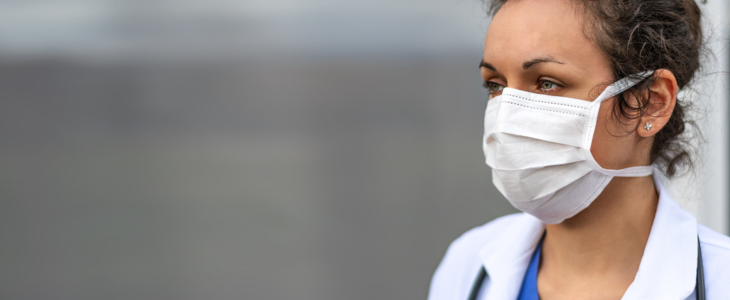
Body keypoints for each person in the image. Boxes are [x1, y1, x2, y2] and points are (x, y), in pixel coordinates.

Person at [428, 0, 730, 299]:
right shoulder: (465, 267)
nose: (506, 116)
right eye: (495, 85)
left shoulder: (721, 280)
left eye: (547, 83)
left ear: (651, 103)